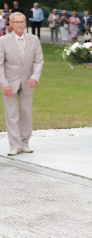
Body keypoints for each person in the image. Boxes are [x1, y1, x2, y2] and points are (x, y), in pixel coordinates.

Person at [0, 13, 44, 155]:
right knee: (11, 114)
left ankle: (25, 143)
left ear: (26, 23)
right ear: (10, 24)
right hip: (9, 83)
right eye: (17, 22)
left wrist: (35, 76)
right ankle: (15, 145)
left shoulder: (34, 39)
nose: (20, 24)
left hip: (28, 82)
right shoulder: (3, 41)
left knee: (26, 112)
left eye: (22, 22)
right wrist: (4, 84)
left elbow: (39, 60)